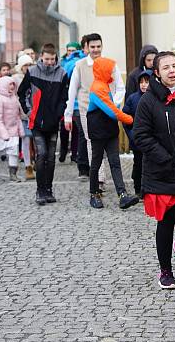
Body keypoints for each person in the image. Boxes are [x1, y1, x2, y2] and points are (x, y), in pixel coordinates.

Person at [133, 52, 175, 289]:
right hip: (162, 173)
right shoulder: (148, 100)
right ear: (157, 73)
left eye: (174, 66)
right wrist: (165, 157)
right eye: (166, 68)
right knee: (166, 222)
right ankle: (165, 271)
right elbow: (140, 135)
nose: (172, 71)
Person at [64, 33, 125, 189]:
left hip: (107, 110)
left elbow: (120, 87)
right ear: (87, 47)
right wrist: (68, 114)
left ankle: (107, 180)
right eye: (92, 47)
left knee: (109, 144)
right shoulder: (80, 65)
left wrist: (114, 103)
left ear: (102, 46)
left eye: (98, 46)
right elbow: (72, 90)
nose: (96, 49)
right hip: (87, 110)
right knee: (93, 143)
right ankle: (99, 179)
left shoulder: (110, 64)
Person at [18, 43, 70, 205]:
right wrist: (29, 111)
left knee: (51, 158)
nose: (49, 62)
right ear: (41, 57)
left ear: (56, 58)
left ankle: (48, 189)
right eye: (47, 59)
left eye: (52, 59)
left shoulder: (62, 74)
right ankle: (40, 190)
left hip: (53, 122)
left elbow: (64, 98)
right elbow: (22, 93)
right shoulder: (32, 72)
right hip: (36, 122)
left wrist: (59, 114)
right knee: (41, 155)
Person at [86, 56, 139, 210]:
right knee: (96, 162)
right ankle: (94, 194)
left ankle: (122, 195)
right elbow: (111, 112)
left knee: (115, 162)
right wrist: (131, 119)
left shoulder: (104, 85)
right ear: (103, 71)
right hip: (98, 131)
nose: (113, 72)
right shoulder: (97, 88)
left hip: (109, 130)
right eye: (111, 69)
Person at [0, 75, 24, 182]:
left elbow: (18, 115)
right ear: (3, 86)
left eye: (13, 84)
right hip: (0, 133)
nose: (12, 86)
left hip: (13, 131)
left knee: (14, 153)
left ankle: (13, 174)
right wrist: (3, 132)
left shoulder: (14, 98)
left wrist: (20, 129)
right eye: (10, 84)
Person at [122, 69, 151, 198]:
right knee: (138, 164)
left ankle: (149, 189)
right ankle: (138, 188)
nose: (144, 85)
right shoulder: (133, 98)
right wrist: (132, 135)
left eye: (147, 82)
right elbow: (125, 118)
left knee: (150, 165)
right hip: (138, 140)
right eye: (141, 82)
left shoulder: (155, 97)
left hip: (152, 140)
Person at [60, 41, 86, 164]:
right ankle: (64, 150)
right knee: (66, 129)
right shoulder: (66, 62)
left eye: (72, 50)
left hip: (81, 102)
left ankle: (76, 154)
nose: (70, 52)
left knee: (78, 131)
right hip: (69, 101)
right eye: (68, 50)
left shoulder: (84, 61)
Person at [12, 54, 36, 180]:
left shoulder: (35, 76)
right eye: (25, 65)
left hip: (36, 113)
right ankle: (28, 166)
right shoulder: (15, 79)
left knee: (38, 141)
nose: (27, 67)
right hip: (23, 114)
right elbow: (14, 96)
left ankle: (38, 161)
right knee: (26, 140)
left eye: (29, 65)